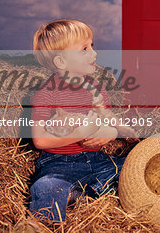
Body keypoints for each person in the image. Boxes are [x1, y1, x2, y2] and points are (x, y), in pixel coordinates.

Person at [25, 19, 128, 227]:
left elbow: (108, 120)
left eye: (92, 46)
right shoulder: (47, 94)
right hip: (60, 164)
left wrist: (110, 132)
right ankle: (41, 225)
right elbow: (40, 141)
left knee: (130, 166)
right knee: (46, 186)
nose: (94, 53)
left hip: (97, 159)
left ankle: (81, 193)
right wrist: (82, 132)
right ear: (61, 62)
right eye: (84, 49)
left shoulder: (96, 88)